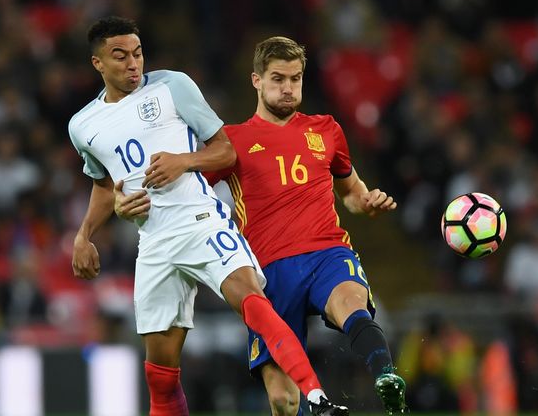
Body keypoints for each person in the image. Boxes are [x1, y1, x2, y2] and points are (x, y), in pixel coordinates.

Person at [68, 17, 348, 415]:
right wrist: (85, 234)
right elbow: (103, 185)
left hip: (200, 220)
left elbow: (225, 152)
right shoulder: (82, 125)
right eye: (120, 57)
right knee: (161, 379)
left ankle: (317, 398)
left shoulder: (172, 86)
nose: (134, 64)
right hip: (154, 242)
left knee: (251, 298)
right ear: (98, 63)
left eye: (138, 53)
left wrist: (183, 161)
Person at [116, 36, 408, 415]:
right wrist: (129, 206)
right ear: (256, 81)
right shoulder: (231, 143)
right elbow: (184, 194)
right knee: (284, 402)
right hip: (269, 272)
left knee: (353, 307)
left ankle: (386, 376)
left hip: (326, 252)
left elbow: (352, 192)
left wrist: (367, 202)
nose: (288, 88)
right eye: (278, 79)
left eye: (296, 79)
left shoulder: (326, 129)